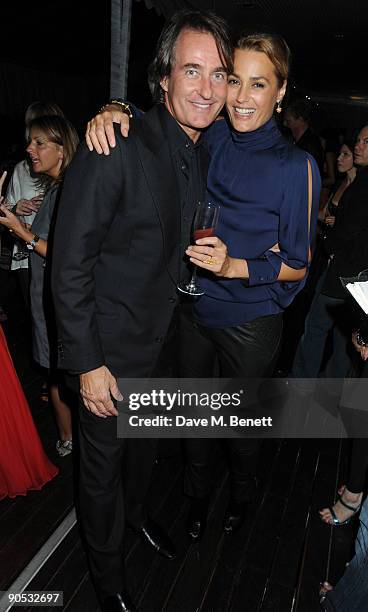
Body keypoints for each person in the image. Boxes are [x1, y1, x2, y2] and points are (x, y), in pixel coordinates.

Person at [86, 31, 320, 540]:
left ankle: (242, 492)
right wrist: (115, 107)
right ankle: (196, 497)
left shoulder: (296, 167)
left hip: (250, 324)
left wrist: (236, 265)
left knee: (238, 429)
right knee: (193, 422)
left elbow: (299, 265)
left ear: (280, 93)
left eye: (258, 84)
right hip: (194, 311)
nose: (239, 96)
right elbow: (160, 122)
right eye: (234, 79)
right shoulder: (209, 136)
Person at [51, 10, 232, 612]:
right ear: (163, 78)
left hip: (162, 344)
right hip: (108, 356)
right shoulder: (114, 145)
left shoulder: (203, 149)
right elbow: (69, 264)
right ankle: (108, 581)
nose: (207, 89)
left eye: (218, 74)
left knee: (145, 452)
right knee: (100, 475)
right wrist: (87, 364)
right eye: (192, 71)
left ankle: (139, 522)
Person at [0, 115, 79, 457]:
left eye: (39, 143)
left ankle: (69, 438)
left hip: (57, 299)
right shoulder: (59, 189)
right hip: (48, 296)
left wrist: (23, 233)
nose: (29, 149)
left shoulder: (68, 192)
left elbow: (63, 253)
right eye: (29, 142)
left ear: (62, 151)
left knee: (57, 373)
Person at [292, 127, 368, 379]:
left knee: (316, 329)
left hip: (344, 274)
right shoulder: (355, 182)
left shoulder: (363, 186)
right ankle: (330, 394)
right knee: (344, 338)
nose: (358, 146)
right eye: (357, 140)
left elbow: (346, 231)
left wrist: (330, 242)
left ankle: (302, 385)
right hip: (356, 277)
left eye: (365, 142)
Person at [5, 102, 65, 308]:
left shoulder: (72, 179)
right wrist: (13, 211)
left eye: (39, 139)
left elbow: (67, 251)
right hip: (25, 257)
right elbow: (11, 214)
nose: (30, 146)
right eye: (29, 132)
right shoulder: (21, 169)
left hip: (52, 259)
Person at [283, 97, 325, 175]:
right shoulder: (292, 140)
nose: (285, 124)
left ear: (300, 119)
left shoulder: (311, 145)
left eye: (288, 121)